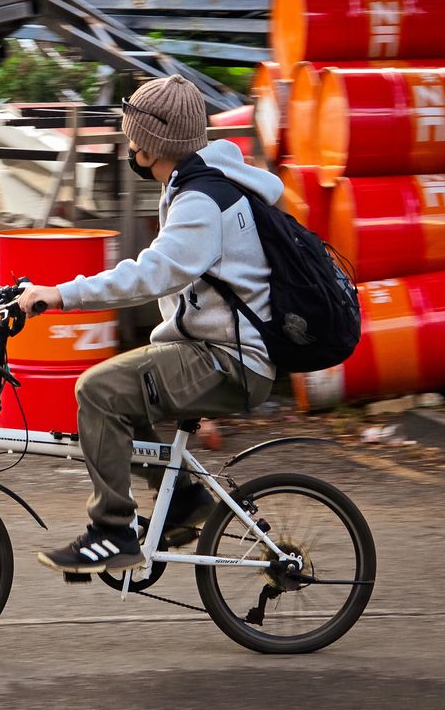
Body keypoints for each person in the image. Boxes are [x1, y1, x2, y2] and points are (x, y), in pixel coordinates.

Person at [18, 74, 283, 575]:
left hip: (231, 362)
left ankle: (112, 531)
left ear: (150, 144)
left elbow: (152, 274)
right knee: (123, 386)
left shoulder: (201, 201)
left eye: (130, 138)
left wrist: (60, 295)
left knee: (98, 390)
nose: (127, 146)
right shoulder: (199, 186)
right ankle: (182, 503)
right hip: (218, 351)